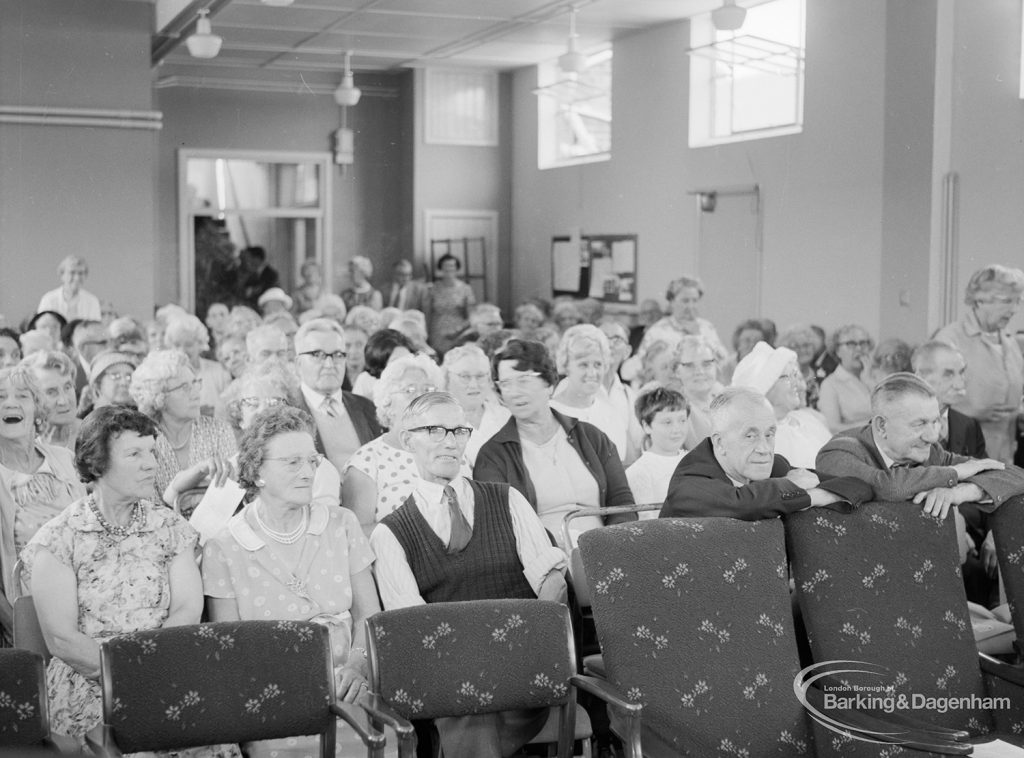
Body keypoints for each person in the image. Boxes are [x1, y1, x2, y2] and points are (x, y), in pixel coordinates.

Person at [20, 406, 236, 755]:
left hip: (165, 665)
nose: (151, 463)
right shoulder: (59, 538)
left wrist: (152, 668)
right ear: (97, 462)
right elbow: (62, 638)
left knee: (213, 737)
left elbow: (186, 608)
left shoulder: (170, 528)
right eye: (135, 454)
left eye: (151, 451)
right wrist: (127, 676)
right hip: (90, 680)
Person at [371, 391, 567, 758]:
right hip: (450, 675)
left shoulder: (507, 499)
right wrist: (470, 665)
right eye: (434, 430)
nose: (449, 442)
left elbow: (552, 582)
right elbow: (412, 626)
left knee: (473, 718)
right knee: (468, 712)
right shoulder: (390, 534)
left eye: (458, 431)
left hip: (520, 663)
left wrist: (522, 646)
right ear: (406, 439)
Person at [203, 405, 378, 757]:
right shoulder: (223, 547)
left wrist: (359, 667)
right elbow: (232, 646)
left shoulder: (341, 524)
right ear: (257, 470)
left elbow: (369, 617)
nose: (308, 473)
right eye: (292, 462)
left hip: (351, 685)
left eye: (312, 461)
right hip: (275, 696)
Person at [474, 339, 636, 548]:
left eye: (523, 380)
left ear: (549, 383)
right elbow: (501, 527)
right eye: (505, 383)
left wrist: (609, 546)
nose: (514, 391)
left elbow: (622, 503)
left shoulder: (592, 438)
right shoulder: (493, 456)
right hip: (543, 560)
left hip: (606, 551)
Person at [815, 373, 1024, 518]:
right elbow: (888, 486)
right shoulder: (838, 453)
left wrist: (960, 493)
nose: (933, 437)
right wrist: (955, 472)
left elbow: (1015, 475)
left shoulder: (930, 453)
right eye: (920, 424)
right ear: (881, 426)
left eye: (935, 422)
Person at [661, 387, 864, 520]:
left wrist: (815, 494)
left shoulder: (773, 466)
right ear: (720, 442)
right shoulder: (689, 481)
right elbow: (741, 505)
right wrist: (803, 494)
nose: (764, 449)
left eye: (769, 434)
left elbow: (856, 487)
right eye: (750, 436)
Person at [0, 366, 87, 644]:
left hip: (84, 598)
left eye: (22, 396)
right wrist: (16, 623)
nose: (10, 403)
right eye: (0, 397)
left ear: (37, 409)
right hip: (27, 610)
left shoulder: (65, 459)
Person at [914, 341, 999, 604]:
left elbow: (990, 479)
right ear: (921, 378)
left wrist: (997, 533)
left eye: (962, 372)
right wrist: (954, 528)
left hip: (976, 531)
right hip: (928, 534)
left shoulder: (967, 424)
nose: (960, 380)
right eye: (949, 373)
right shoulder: (903, 425)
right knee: (972, 575)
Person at [342, 353, 442, 538]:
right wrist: (412, 527)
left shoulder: (452, 449)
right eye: (409, 390)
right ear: (387, 402)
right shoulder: (366, 462)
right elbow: (354, 536)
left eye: (429, 389)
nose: (421, 396)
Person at [130, 349, 237, 517]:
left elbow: (229, 495)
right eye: (185, 387)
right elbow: (147, 509)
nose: (196, 392)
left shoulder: (219, 430)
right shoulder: (143, 441)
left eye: (195, 383)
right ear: (159, 397)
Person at [935, 264, 1024, 464]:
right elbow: (931, 399)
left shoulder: (1009, 340)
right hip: (963, 456)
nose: (1015, 309)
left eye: (1018, 301)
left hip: (1005, 453)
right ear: (980, 300)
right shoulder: (950, 339)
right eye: (1007, 301)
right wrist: (973, 413)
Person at [292, 318, 382, 476]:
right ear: (298, 364)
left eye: (338, 355)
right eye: (317, 354)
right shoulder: (285, 413)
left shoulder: (366, 408)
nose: (329, 364)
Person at [731, 341, 832, 469]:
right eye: (788, 377)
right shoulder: (755, 438)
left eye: (796, 375)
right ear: (766, 386)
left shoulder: (809, 420)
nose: (799, 384)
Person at [550, 324, 632, 463]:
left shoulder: (612, 415)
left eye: (598, 364)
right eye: (583, 365)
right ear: (566, 365)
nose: (592, 373)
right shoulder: (549, 414)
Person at [634, 276, 728, 372]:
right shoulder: (657, 330)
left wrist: (699, 336)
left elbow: (724, 362)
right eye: (685, 301)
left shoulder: (707, 327)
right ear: (671, 302)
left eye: (695, 300)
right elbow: (638, 368)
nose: (691, 306)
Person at [441, 344, 510, 468]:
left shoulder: (505, 416)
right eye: (464, 377)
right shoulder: (438, 423)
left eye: (480, 376)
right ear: (447, 380)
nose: (473, 385)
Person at [625, 387, 689, 518]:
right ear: (647, 426)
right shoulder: (640, 471)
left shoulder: (694, 460)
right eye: (667, 422)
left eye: (682, 420)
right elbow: (646, 521)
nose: (677, 429)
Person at [164, 314, 233, 417]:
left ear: (200, 344)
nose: (182, 351)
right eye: (177, 345)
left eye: (189, 345)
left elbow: (230, 411)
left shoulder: (219, 372)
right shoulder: (165, 376)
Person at [817, 324, 875, 432]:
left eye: (863, 343)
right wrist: (872, 427)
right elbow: (832, 427)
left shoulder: (878, 376)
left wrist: (870, 382)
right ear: (837, 351)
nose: (859, 348)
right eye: (851, 344)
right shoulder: (830, 384)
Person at [21, 350, 81, 450]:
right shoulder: (22, 446)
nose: (64, 401)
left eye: (67, 387)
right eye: (51, 392)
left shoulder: (96, 435)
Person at [674, 335, 725, 450]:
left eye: (706, 364)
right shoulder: (674, 409)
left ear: (716, 366)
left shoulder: (730, 401)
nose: (699, 372)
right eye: (689, 366)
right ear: (677, 371)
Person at [428, 254, 476, 356]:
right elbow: (428, 313)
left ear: (457, 268)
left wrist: (456, 332)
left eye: (452, 266)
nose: (449, 269)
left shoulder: (465, 289)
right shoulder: (433, 288)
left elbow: (471, 316)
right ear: (440, 268)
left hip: (457, 331)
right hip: (437, 331)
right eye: (445, 266)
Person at [351, 328, 415, 400]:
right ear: (380, 365)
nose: (404, 365)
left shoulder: (420, 381)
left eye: (407, 359)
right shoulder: (366, 381)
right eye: (396, 361)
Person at [36, 255, 102, 321]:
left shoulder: (92, 301)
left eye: (81, 273)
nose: (77, 278)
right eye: (72, 273)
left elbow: (95, 328)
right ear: (62, 275)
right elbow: (41, 327)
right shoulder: (49, 299)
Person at [77, 350, 138, 419]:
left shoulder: (142, 418)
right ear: (98, 384)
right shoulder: (83, 421)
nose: (124, 383)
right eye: (115, 376)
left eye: (129, 377)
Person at [776, 324, 822, 409]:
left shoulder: (822, 375)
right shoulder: (781, 379)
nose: (802, 350)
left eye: (806, 345)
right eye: (795, 346)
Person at [67, 319, 107, 396]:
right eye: (103, 342)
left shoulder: (113, 366)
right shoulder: (67, 373)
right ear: (82, 347)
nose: (110, 347)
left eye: (112, 341)